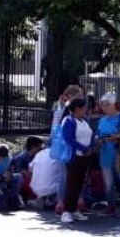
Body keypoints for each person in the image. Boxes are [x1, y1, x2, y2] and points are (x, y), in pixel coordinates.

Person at [94, 93, 120, 217]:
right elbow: (98, 134)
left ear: (114, 105)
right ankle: (110, 206)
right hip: (105, 154)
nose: (104, 107)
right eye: (102, 105)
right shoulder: (101, 120)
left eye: (107, 105)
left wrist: (119, 136)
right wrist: (99, 140)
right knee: (108, 183)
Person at [61, 97, 96, 224]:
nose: (86, 109)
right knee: (71, 183)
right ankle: (66, 211)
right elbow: (68, 139)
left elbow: (91, 135)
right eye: (84, 107)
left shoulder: (85, 120)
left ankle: (74, 209)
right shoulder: (68, 120)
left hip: (85, 157)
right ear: (77, 109)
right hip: (74, 156)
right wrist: (82, 148)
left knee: (80, 183)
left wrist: (91, 147)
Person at [51, 85, 85, 215]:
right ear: (71, 96)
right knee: (75, 174)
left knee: (65, 175)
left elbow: (54, 127)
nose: (82, 98)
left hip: (60, 145)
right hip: (70, 144)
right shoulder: (72, 109)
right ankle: (77, 200)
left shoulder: (59, 107)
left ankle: (61, 202)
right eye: (79, 95)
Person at [10, 136, 45, 202]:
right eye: (39, 147)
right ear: (33, 147)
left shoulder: (37, 156)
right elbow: (23, 172)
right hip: (24, 181)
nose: (41, 149)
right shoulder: (20, 158)